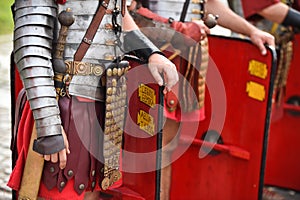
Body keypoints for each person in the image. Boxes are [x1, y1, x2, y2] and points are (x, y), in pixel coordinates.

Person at [8, 0, 179, 199]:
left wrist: (151, 54)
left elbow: (117, 18)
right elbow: (31, 47)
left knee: (91, 190)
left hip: (104, 105)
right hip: (60, 106)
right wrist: (49, 127)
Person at [128, 0, 275, 199]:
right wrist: (177, 29)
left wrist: (251, 31)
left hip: (188, 61)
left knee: (166, 149)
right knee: (142, 148)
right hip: (151, 55)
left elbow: (212, 6)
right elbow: (126, 10)